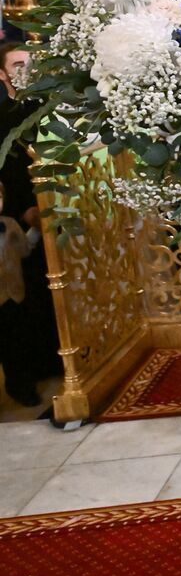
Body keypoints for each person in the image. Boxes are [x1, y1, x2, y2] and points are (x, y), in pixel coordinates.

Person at [0, 44, 63, 408]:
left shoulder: (46, 107)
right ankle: (22, 379)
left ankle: (52, 360)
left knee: (49, 290)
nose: (27, 70)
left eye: (32, 63)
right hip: (18, 217)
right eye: (19, 65)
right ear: (4, 75)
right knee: (17, 302)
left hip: (54, 208)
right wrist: (23, 208)